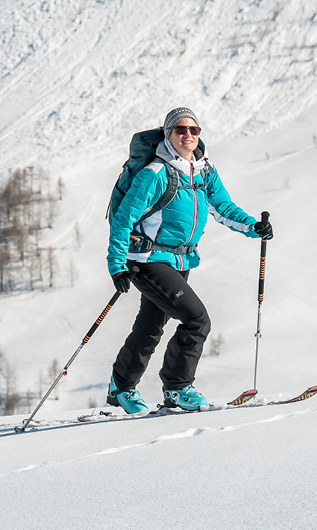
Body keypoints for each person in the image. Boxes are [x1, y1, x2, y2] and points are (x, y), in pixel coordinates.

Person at [105, 108, 273, 413]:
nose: (188, 135)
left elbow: (222, 207)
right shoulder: (154, 173)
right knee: (196, 320)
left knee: (150, 326)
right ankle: (177, 387)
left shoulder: (204, 170)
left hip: (181, 262)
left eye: (194, 130)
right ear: (168, 133)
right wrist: (117, 265)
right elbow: (123, 220)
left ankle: (121, 387)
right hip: (147, 259)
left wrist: (253, 226)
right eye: (181, 129)